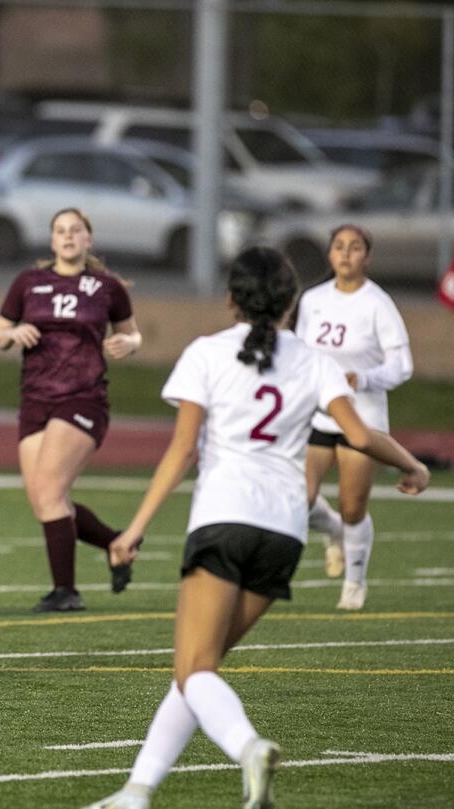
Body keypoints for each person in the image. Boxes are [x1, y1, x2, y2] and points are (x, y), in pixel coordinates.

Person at [82, 247, 428, 809]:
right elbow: (361, 436)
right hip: (284, 533)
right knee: (199, 670)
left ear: (229, 298)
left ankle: (248, 748)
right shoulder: (314, 360)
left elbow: (182, 451)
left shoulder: (207, 353)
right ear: (292, 302)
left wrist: (136, 526)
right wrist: (412, 464)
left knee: (195, 669)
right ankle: (137, 791)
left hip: (224, 518)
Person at [0, 208, 142, 612]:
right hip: (35, 400)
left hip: (83, 398)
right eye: (61, 230)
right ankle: (116, 542)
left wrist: (130, 344)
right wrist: (12, 333)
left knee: (53, 492)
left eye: (76, 230)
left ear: (88, 239)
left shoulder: (106, 287)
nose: (68, 236)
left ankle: (66, 592)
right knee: (45, 501)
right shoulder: (29, 282)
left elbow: (132, 332)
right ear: (51, 240)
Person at [294, 224, 412, 610]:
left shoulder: (377, 303)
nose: (346, 254)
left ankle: (354, 583)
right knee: (299, 499)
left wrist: (363, 379)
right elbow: (298, 352)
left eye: (355, 247)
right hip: (318, 415)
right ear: (330, 254)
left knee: (352, 506)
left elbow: (402, 365)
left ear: (367, 256)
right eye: (339, 246)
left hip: (362, 420)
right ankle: (332, 532)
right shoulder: (312, 299)